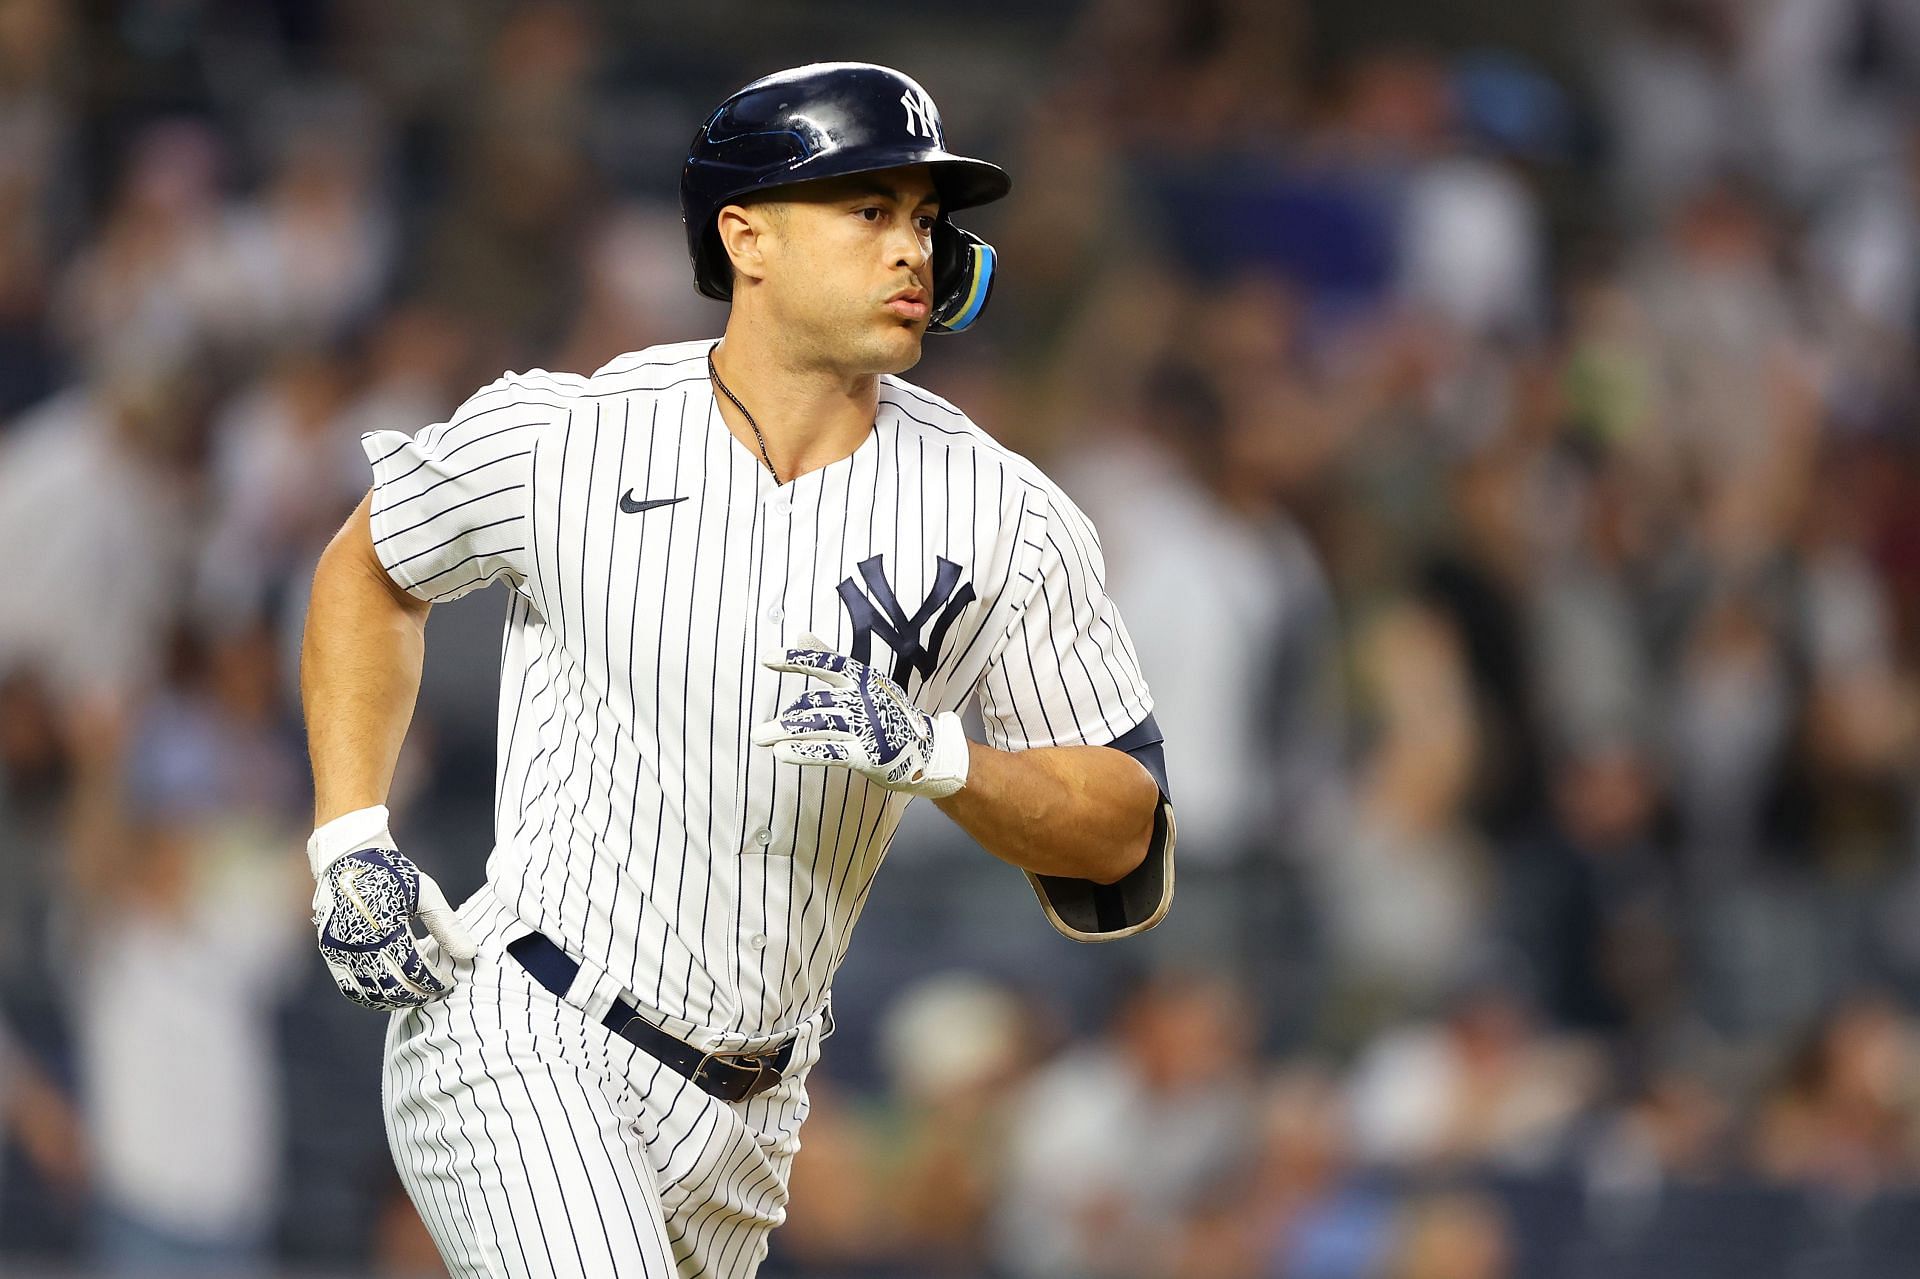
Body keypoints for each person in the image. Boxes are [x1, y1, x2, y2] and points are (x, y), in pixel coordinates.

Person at [298, 63, 1176, 1279]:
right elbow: (370, 566)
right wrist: (350, 835)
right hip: (527, 1026)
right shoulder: (570, 433)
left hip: (756, 1116)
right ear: (745, 235)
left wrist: (941, 755)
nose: (912, 249)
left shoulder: (1007, 518)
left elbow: (1122, 830)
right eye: (867, 210)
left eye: (925, 218)